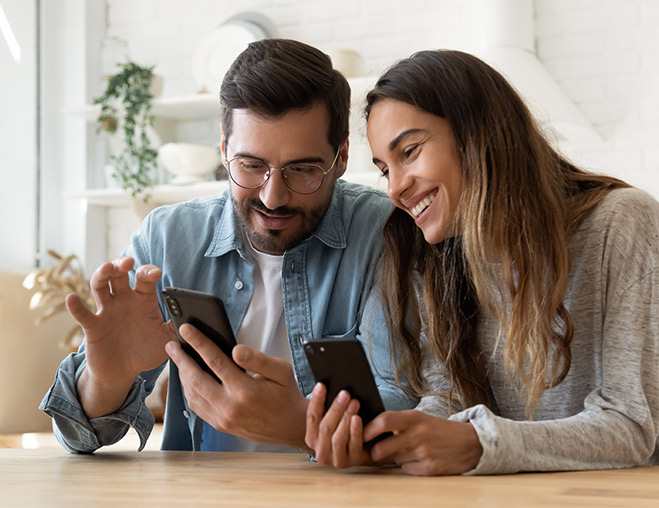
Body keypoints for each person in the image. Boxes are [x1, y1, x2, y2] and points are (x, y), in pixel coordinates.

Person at [305, 49, 659, 475]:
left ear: (477, 133)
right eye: (385, 169)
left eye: (411, 151)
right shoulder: (441, 259)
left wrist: (479, 443)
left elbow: (629, 426)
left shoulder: (622, 221)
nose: (396, 188)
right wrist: (395, 438)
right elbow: (449, 399)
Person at [40, 39, 415, 453]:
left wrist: (299, 424)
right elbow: (78, 436)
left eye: (302, 170)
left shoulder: (387, 234)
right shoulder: (167, 239)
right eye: (251, 166)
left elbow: (407, 406)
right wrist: (106, 380)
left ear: (341, 157)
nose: (273, 197)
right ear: (223, 150)